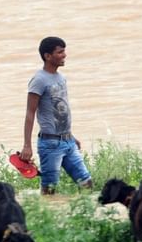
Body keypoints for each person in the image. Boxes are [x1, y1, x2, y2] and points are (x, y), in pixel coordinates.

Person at [21, 36, 93, 195]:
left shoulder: (61, 78)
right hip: (50, 144)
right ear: (47, 56)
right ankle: (45, 217)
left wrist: (71, 135)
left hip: (68, 142)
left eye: (64, 51)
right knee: (49, 189)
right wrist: (27, 145)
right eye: (60, 52)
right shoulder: (38, 80)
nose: (65, 55)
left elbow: (60, 111)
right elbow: (29, 113)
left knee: (86, 183)